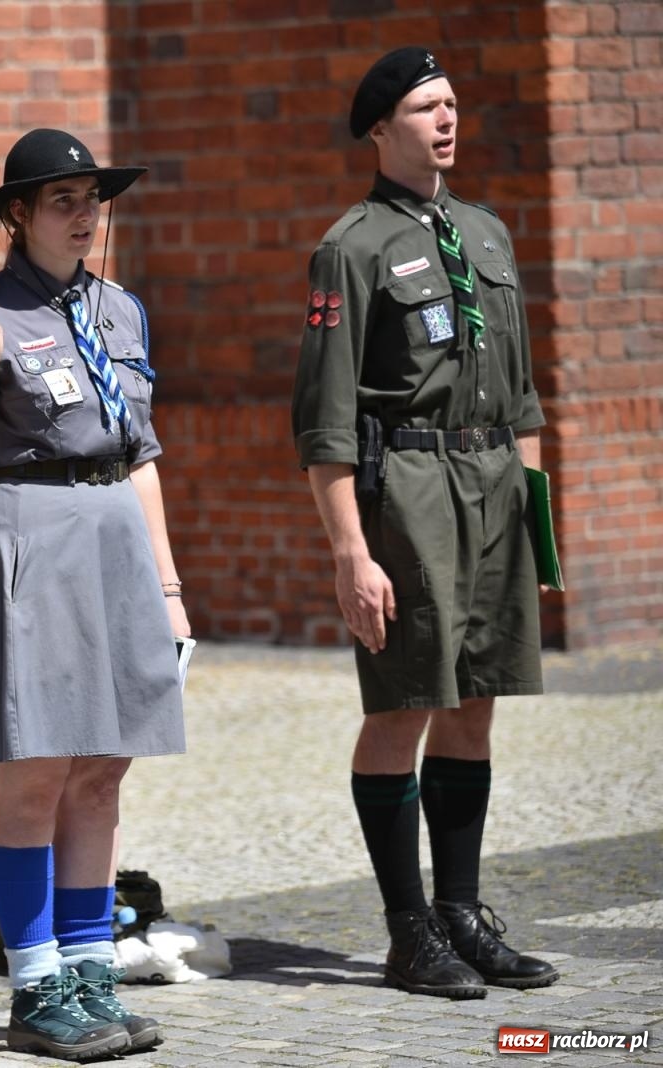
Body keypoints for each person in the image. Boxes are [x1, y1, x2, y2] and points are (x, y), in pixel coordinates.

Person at [291, 47, 560, 999]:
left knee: (475, 698)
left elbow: (523, 398)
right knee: (403, 702)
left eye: (451, 104)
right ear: (379, 127)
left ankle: (463, 914)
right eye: (422, 107)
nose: (444, 120)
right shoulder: (352, 247)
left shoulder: (485, 233)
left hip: (494, 479)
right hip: (406, 483)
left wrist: (535, 523)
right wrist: (350, 553)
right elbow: (323, 420)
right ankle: (409, 931)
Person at [0, 128, 188, 1061]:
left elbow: (142, 456)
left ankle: (91, 975)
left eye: (93, 199)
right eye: (64, 200)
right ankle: (36, 989)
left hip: (116, 532)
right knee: (36, 769)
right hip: (31, 534)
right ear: (18, 216)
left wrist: (168, 587)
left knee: (104, 769)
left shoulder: (121, 308)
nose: (86, 215)